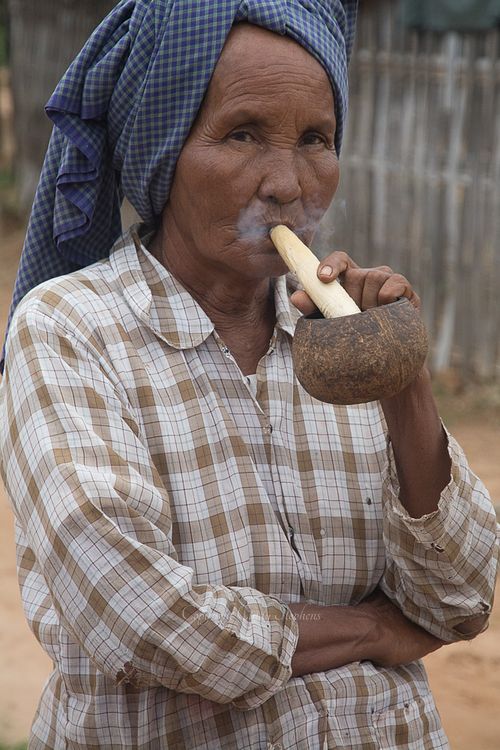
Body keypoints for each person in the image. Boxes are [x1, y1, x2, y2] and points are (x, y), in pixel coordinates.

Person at [0, 1, 497, 748]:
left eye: (316, 139)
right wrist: (370, 629)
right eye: (241, 134)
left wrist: (403, 385)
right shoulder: (70, 329)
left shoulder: (340, 333)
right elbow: (137, 616)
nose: (287, 183)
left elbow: (459, 599)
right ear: (163, 152)